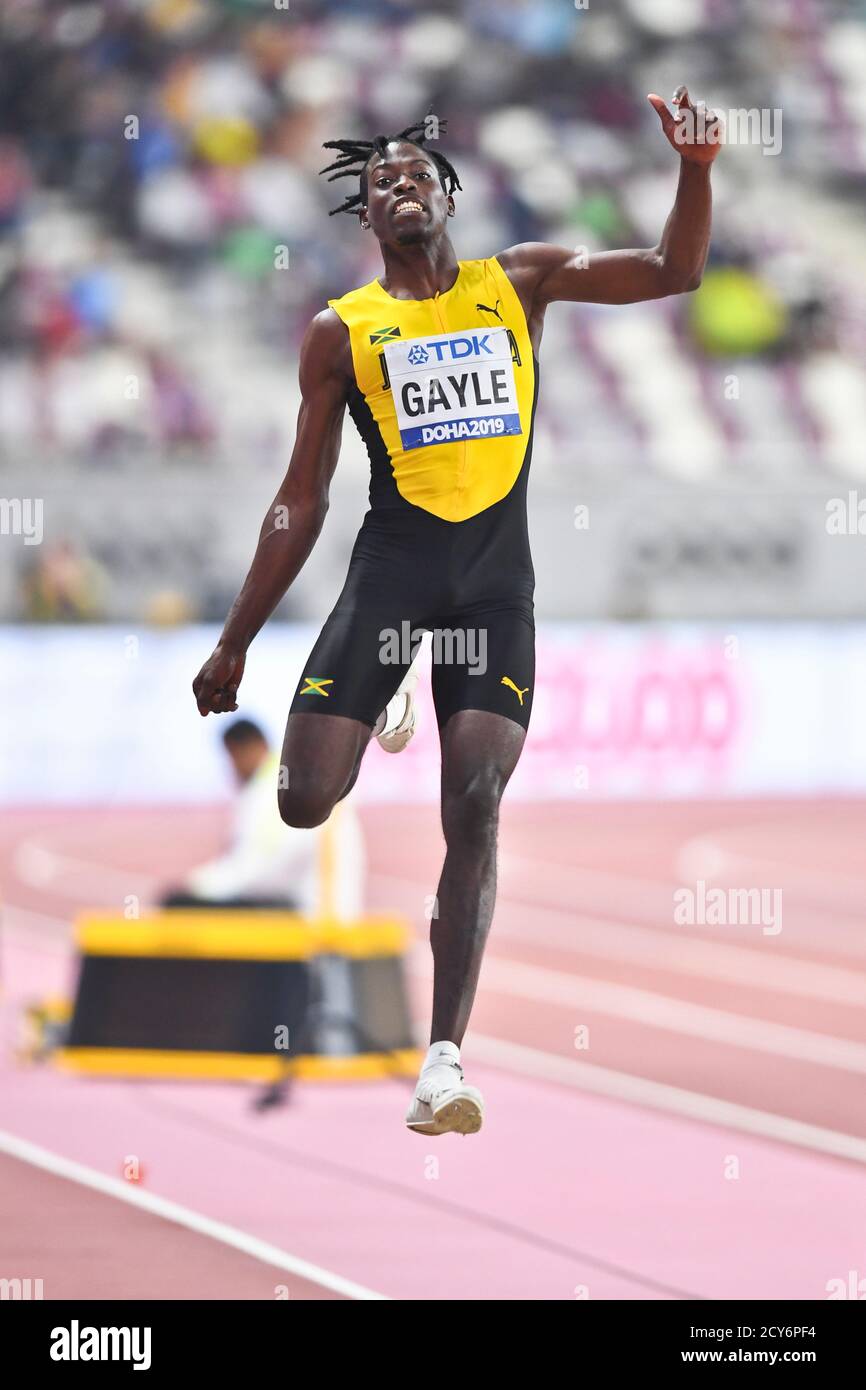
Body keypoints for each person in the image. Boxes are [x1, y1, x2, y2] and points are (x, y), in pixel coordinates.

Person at [193, 90, 720, 1135]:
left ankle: (442, 1060)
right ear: (365, 215)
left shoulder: (517, 283)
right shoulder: (342, 331)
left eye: (413, 173)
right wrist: (233, 640)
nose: (397, 185)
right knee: (303, 800)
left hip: (490, 586)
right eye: (378, 179)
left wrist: (694, 170)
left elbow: (674, 271)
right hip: (391, 579)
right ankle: (382, 694)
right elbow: (302, 496)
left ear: (445, 194)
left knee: (473, 799)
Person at [162, 717, 365, 917]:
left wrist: (198, 884)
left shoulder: (274, 789)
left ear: (248, 749)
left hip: (313, 915)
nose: (232, 769)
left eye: (232, 758)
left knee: (179, 904)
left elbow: (255, 868)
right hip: (318, 907)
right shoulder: (286, 778)